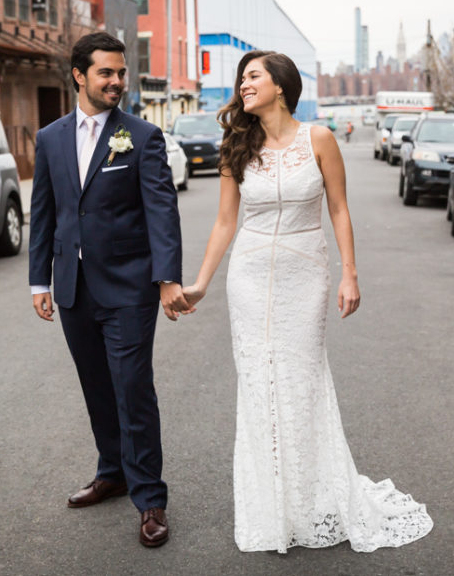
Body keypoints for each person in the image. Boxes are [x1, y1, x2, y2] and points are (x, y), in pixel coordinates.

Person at [183, 51, 433, 553]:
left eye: (253, 76)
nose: (244, 85)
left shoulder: (318, 139)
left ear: (280, 85)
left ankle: (310, 497)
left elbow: (338, 208)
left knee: (300, 380)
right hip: (249, 276)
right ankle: (271, 505)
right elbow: (225, 223)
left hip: (305, 275)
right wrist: (201, 282)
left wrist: (350, 274)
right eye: (243, 78)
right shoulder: (236, 145)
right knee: (259, 384)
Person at [29, 32, 193, 548]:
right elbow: (45, 214)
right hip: (74, 287)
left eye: (121, 73)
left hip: (128, 287)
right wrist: (40, 280)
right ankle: (113, 472)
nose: (117, 82)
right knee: (97, 386)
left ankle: (150, 498)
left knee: (132, 388)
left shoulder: (141, 137)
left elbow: (162, 211)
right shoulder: (50, 138)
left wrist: (167, 279)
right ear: (79, 75)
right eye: (106, 73)